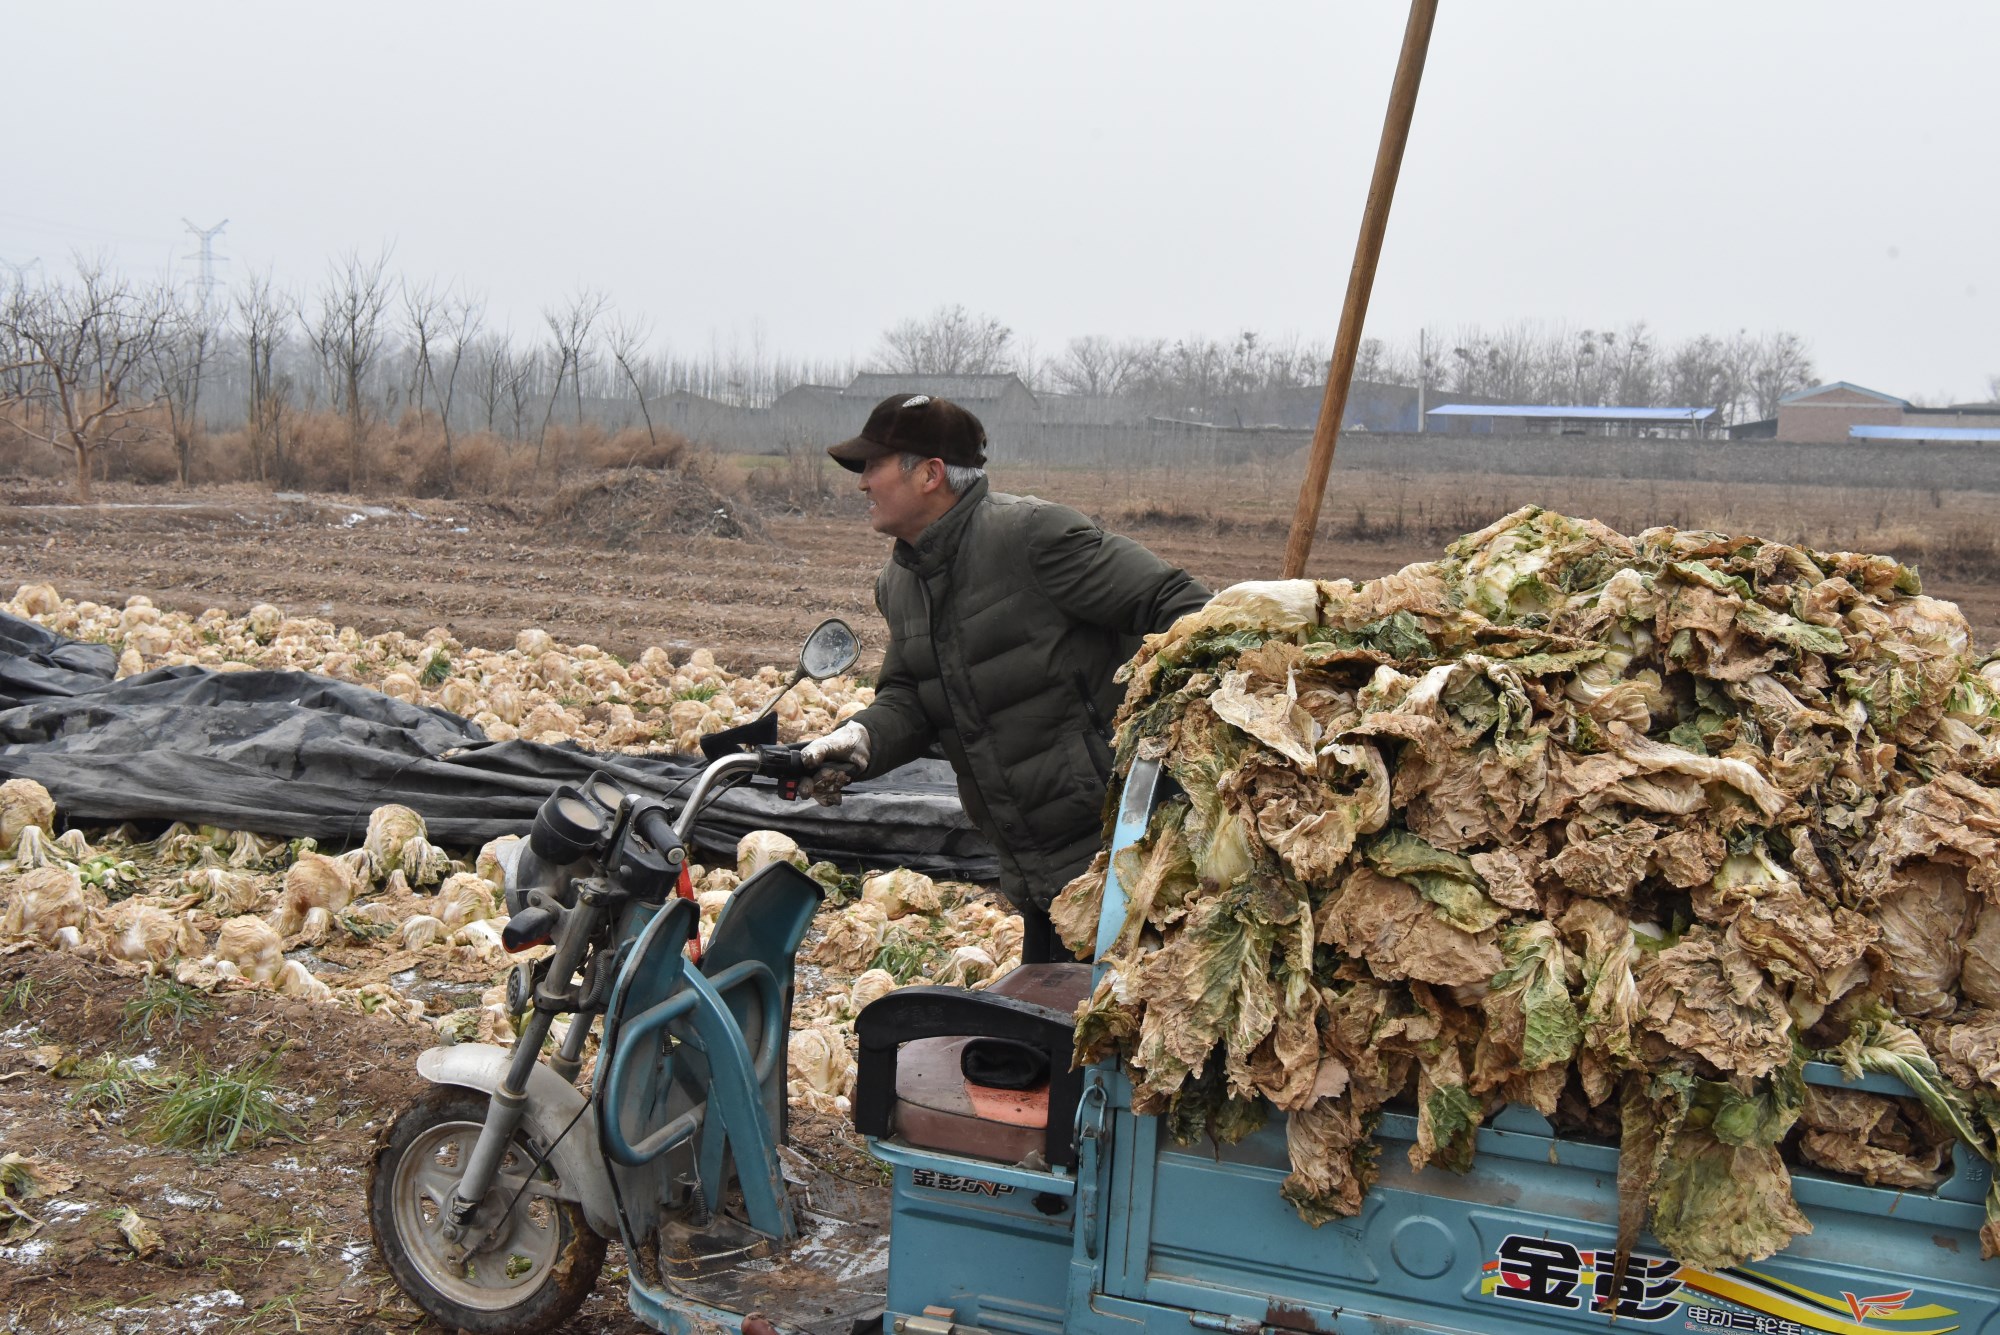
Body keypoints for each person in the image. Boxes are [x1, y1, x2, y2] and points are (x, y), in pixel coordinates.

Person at [799, 393, 1210, 963]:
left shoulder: (1033, 537)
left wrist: (1167, 729)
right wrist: (863, 738)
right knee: (1051, 1011)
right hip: (1030, 866)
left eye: (873, 465)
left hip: (1119, 851)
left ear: (930, 474)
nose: (862, 483)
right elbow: (912, 696)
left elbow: (1180, 603)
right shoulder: (900, 582)